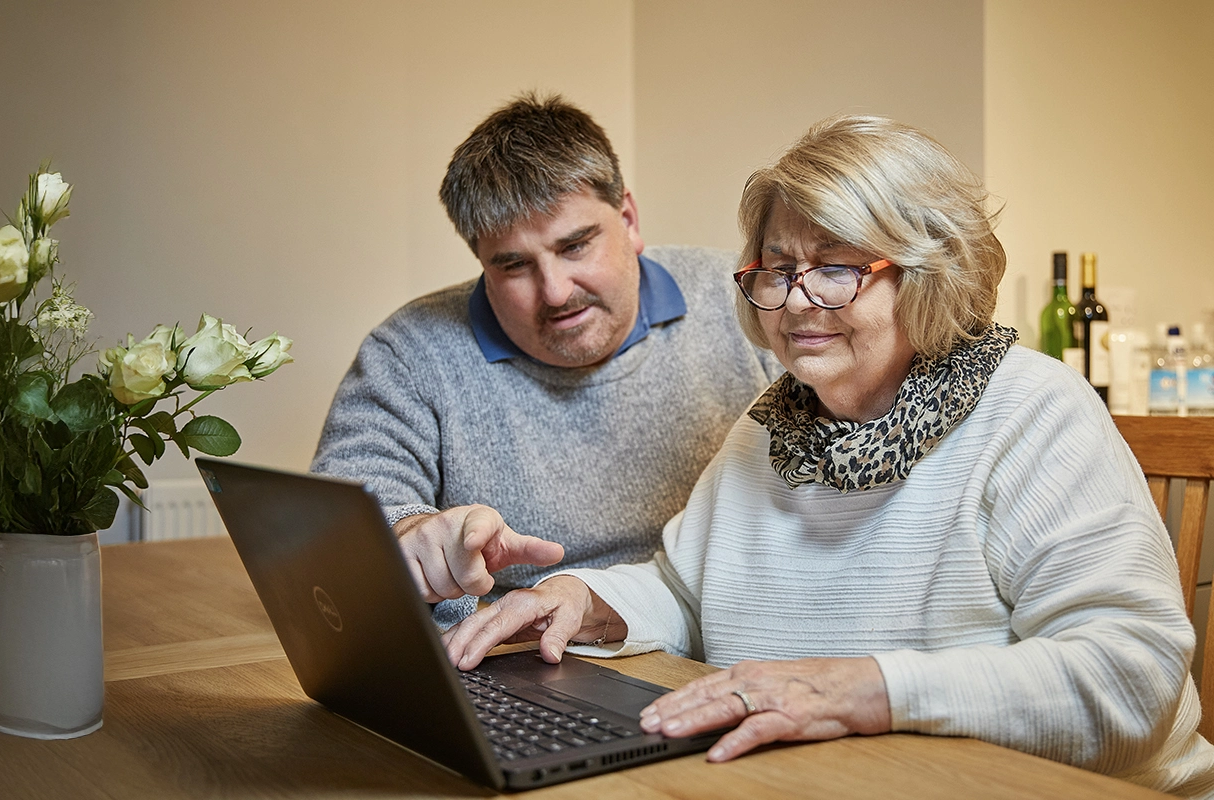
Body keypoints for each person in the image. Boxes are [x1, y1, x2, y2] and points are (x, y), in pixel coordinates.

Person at [440, 114, 1214, 795]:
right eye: (777, 268)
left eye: (837, 267)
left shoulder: (1032, 411)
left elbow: (1129, 679)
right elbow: (687, 593)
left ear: (928, 272)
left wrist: (864, 690)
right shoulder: (773, 423)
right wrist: (583, 601)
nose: (797, 298)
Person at [310, 93, 777, 626]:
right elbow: (343, 522)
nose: (555, 292)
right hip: (513, 652)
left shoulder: (750, 301)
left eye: (575, 246)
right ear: (481, 261)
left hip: (705, 640)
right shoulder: (411, 351)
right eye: (514, 266)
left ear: (627, 218)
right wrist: (411, 538)